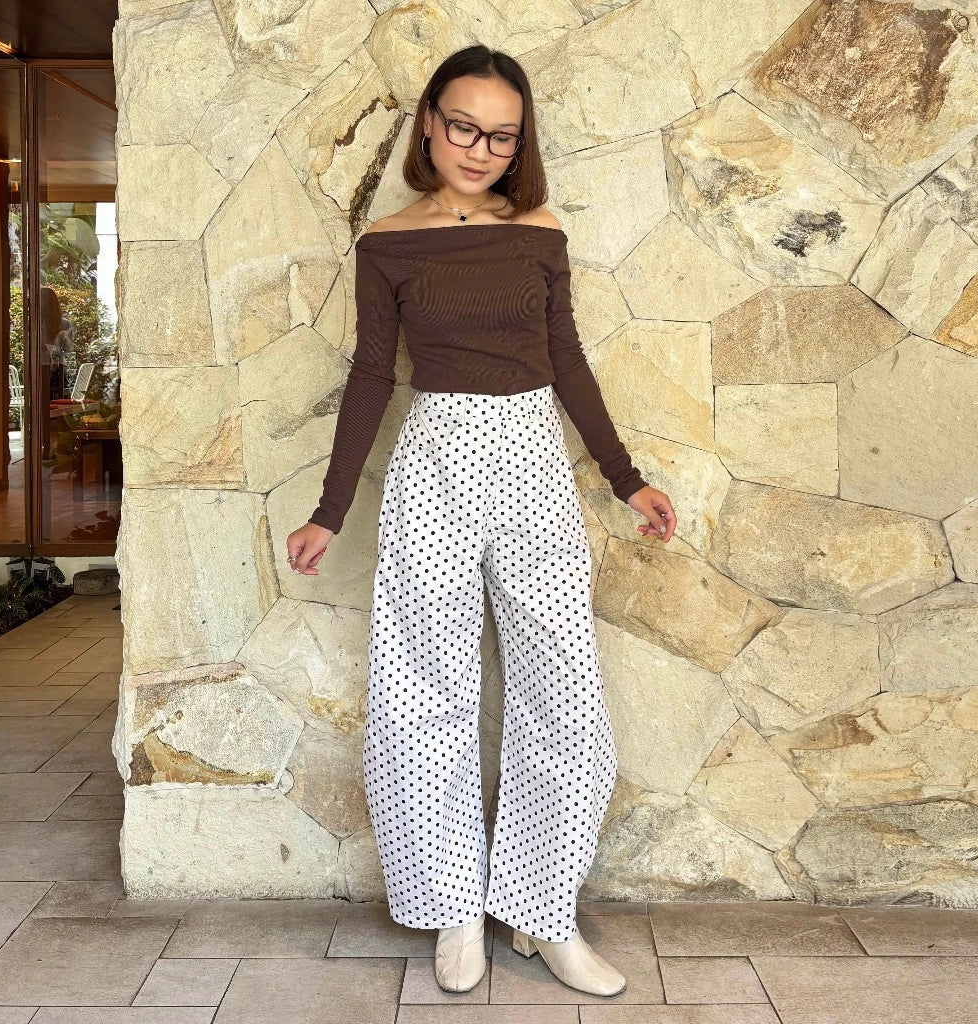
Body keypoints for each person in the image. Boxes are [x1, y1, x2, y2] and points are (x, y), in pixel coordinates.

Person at [285, 44, 677, 996]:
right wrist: (330, 511)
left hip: (534, 458)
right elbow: (373, 373)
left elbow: (569, 359)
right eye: (463, 126)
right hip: (434, 464)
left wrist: (627, 480)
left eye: (502, 135)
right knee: (424, 688)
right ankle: (454, 908)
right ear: (429, 122)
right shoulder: (387, 243)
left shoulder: (538, 231)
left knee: (565, 691)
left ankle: (545, 915)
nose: (481, 147)